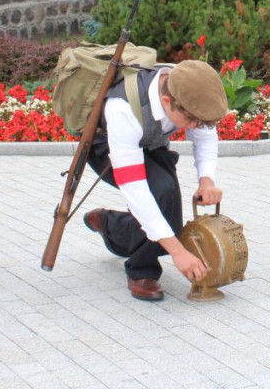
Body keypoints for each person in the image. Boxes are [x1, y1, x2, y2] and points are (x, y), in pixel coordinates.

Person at [82, 60, 228, 301]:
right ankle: (141, 271)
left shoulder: (186, 88)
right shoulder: (122, 109)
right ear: (167, 101)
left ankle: (110, 224)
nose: (195, 127)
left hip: (150, 143)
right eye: (191, 121)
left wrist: (206, 181)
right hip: (106, 146)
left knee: (170, 222)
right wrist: (178, 252)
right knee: (161, 194)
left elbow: (205, 136)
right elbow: (135, 188)